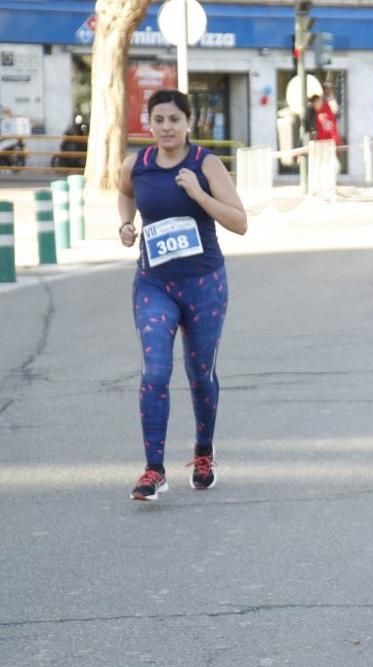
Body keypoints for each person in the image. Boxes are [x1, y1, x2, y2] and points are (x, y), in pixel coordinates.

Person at [117, 89, 248, 501]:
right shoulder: (136, 164)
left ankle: (204, 451)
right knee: (155, 371)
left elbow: (240, 222)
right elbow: (125, 194)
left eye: (174, 119)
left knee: (199, 373)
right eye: (159, 120)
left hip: (204, 283)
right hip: (154, 284)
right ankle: (153, 470)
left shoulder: (205, 163)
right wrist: (126, 224)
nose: (167, 127)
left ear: (188, 122)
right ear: (149, 123)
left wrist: (199, 194)